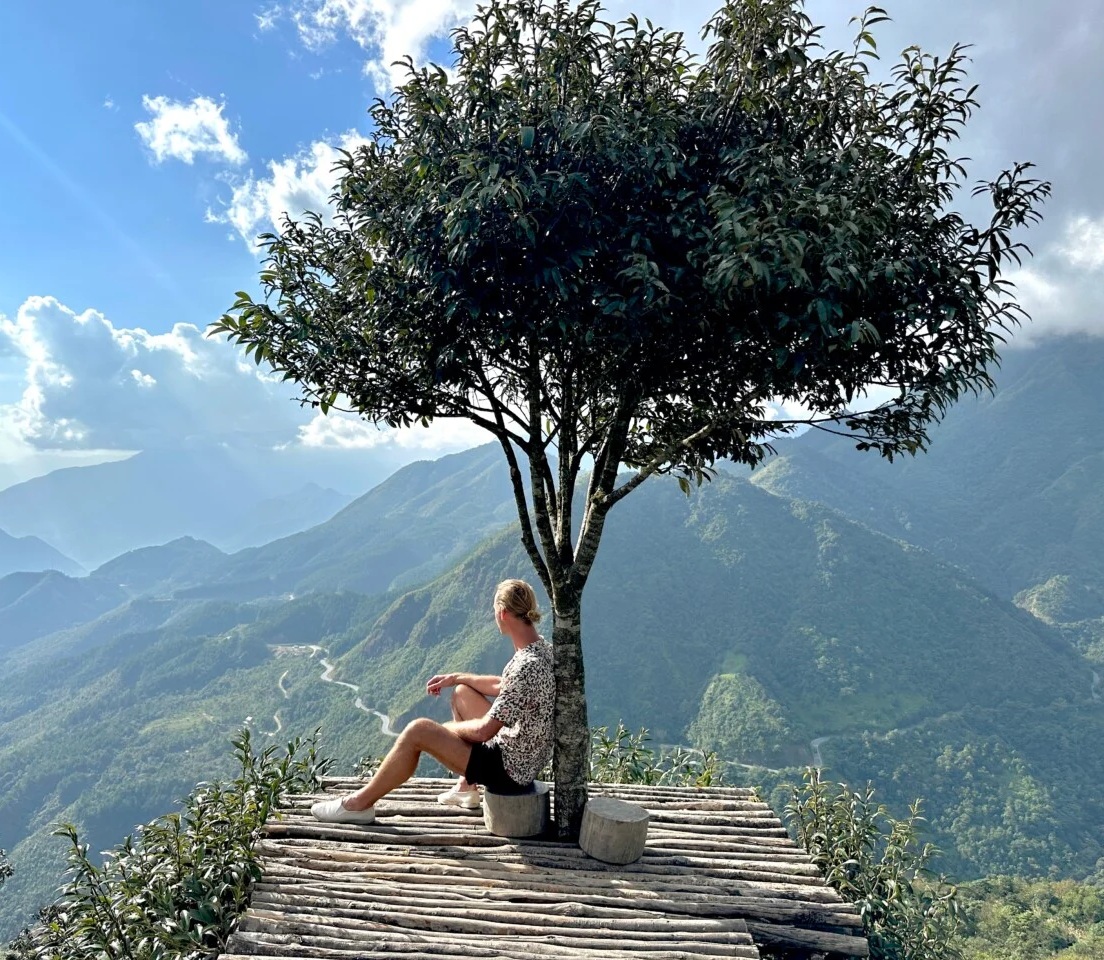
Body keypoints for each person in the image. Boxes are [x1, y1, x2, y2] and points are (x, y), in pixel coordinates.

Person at [311, 578, 555, 824]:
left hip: (509, 770)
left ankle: (357, 805)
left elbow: (483, 731)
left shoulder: (525, 666)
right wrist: (456, 678)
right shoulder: (541, 649)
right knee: (462, 692)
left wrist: (447, 730)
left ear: (502, 613)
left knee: (418, 730)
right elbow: (504, 685)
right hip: (523, 757)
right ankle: (466, 787)